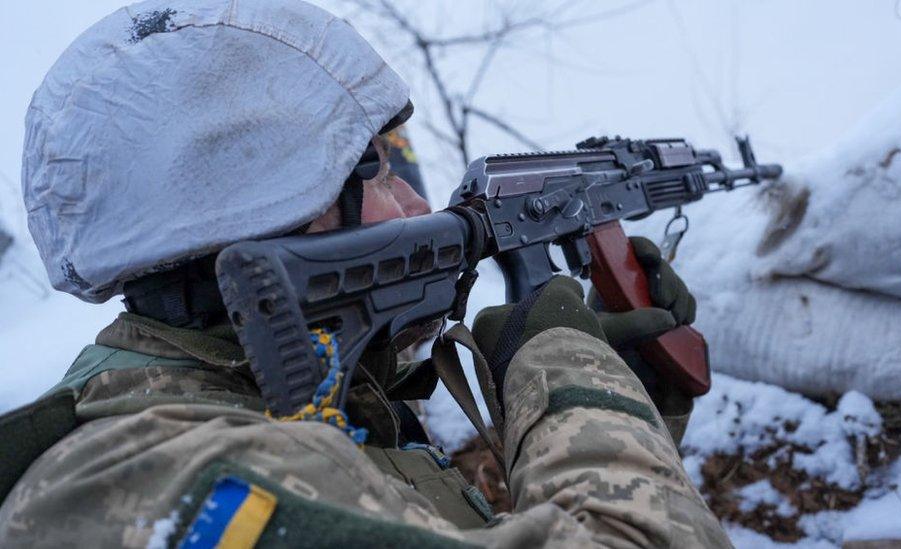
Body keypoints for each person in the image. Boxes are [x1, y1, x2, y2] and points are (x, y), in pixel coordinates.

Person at [0, 1, 732, 547]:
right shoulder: (166, 481)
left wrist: (617, 395)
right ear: (268, 209)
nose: (420, 203)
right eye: (377, 171)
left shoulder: (275, 402)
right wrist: (567, 368)